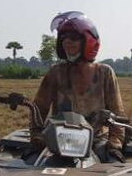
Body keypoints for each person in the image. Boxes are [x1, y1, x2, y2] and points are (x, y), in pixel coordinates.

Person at [30, 11, 126, 162]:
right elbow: (38, 109)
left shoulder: (105, 73)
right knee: (31, 163)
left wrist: (115, 143)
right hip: (60, 140)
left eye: (73, 38)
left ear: (88, 41)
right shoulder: (56, 73)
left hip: (96, 140)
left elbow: (117, 114)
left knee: (114, 167)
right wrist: (37, 138)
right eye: (63, 38)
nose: (67, 41)